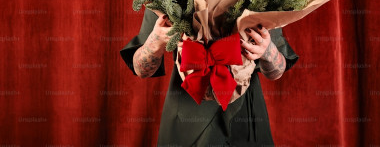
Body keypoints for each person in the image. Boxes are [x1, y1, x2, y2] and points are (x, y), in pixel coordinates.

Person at [120, 9, 299, 146]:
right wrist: (155, 41)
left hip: (245, 116)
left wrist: (267, 51)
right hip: (186, 114)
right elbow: (141, 69)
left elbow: (277, 71)